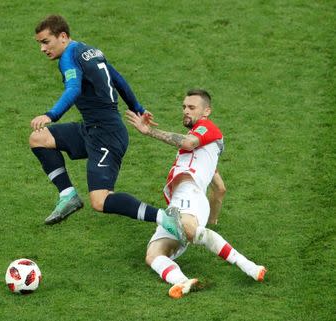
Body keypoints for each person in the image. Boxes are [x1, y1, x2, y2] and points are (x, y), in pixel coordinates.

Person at [29, 15, 179, 228]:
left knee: (100, 200)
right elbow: (117, 78)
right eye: (39, 44)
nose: (42, 49)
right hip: (91, 128)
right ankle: (68, 195)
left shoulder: (68, 58)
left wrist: (50, 115)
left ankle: (166, 218)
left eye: (46, 42)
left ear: (62, 36)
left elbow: (73, 89)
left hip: (106, 135)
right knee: (39, 138)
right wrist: (138, 108)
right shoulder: (89, 51)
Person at [125, 89, 267, 299]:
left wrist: (149, 131)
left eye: (191, 107)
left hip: (189, 196)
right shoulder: (207, 154)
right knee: (153, 254)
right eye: (184, 107)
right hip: (179, 204)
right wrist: (211, 222)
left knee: (191, 230)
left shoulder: (206, 128)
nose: (185, 111)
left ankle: (249, 266)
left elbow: (188, 143)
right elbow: (219, 190)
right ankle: (182, 282)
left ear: (206, 111)